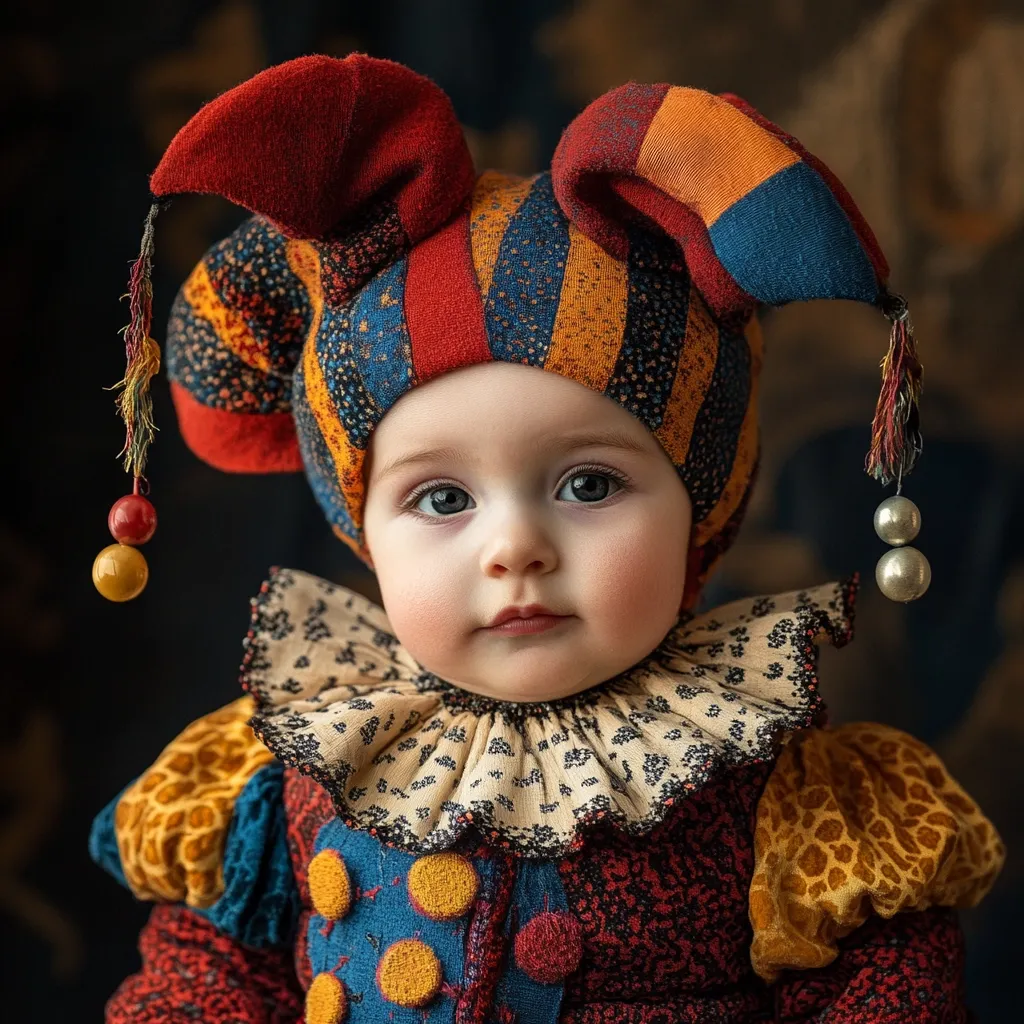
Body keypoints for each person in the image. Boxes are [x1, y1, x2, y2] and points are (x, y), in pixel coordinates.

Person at [88, 53, 1004, 1023]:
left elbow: (882, 990)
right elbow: (208, 972)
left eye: (588, 484)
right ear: (362, 535)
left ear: (704, 507)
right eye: (443, 498)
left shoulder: (772, 790)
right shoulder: (303, 764)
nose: (515, 547)